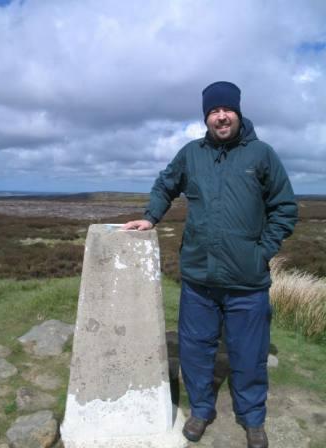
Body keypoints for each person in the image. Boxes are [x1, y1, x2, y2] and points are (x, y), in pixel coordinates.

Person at [123, 81, 298, 448]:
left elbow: (285, 207)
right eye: (213, 111)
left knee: (249, 357)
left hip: (247, 282)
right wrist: (151, 218)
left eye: (227, 110)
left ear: (238, 112)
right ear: (206, 117)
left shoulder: (262, 155)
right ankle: (201, 411)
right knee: (196, 351)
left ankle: (252, 420)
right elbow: (164, 185)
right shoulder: (191, 154)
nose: (221, 116)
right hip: (199, 280)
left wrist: (261, 251)